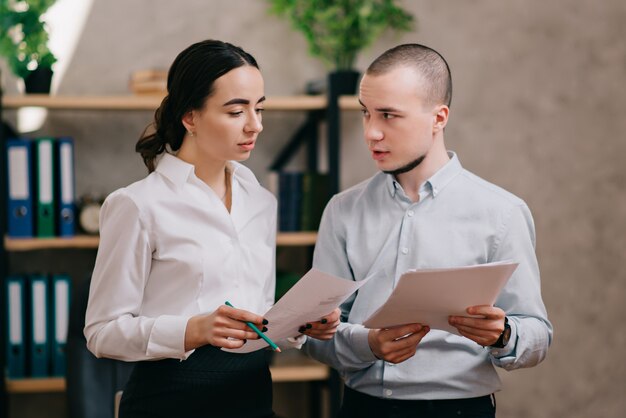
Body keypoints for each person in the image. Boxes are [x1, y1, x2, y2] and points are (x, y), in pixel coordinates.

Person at [84, 39, 339, 418]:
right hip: (170, 401)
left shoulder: (261, 202)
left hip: (253, 396)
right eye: (236, 111)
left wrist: (299, 323)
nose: (256, 125)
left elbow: (257, 314)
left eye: (259, 108)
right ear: (190, 117)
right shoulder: (137, 205)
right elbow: (102, 333)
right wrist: (194, 330)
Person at [300, 43, 553, 418]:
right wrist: (368, 344)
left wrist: (504, 334)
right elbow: (312, 336)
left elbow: (538, 334)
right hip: (360, 408)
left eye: (388, 115)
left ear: (439, 117)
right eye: (366, 114)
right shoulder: (343, 210)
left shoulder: (502, 213)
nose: (371, 132)